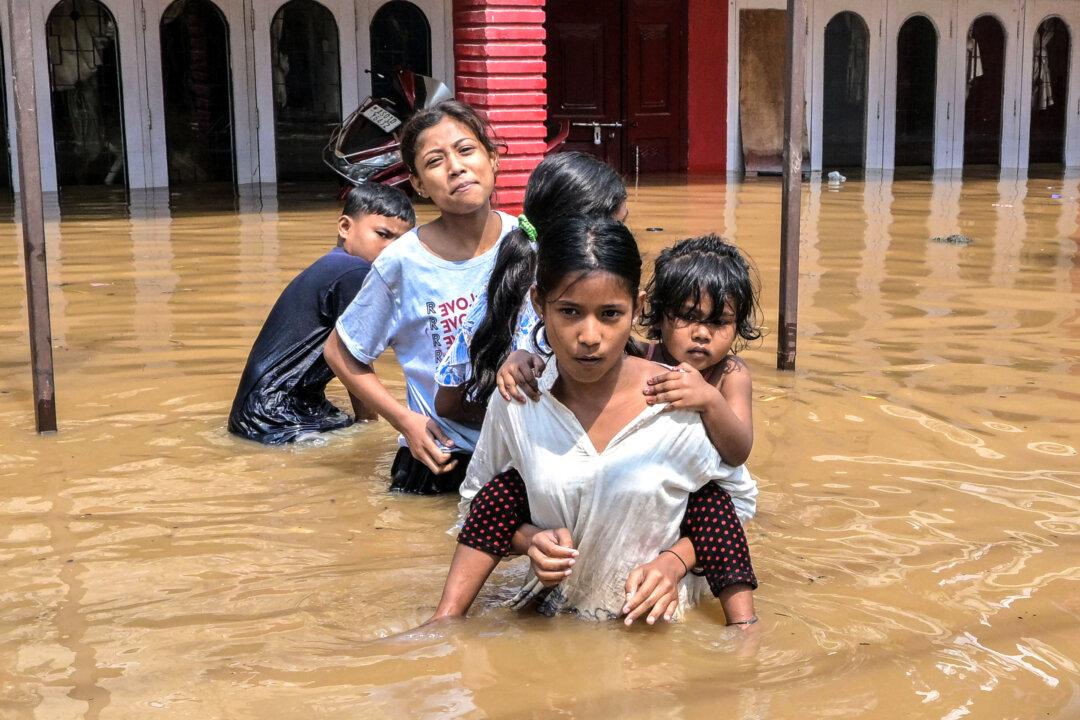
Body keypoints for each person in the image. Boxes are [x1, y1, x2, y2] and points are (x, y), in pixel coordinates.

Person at [429, 215, 758, 624]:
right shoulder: (519, 400)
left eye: (610, 314)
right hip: (551, 618)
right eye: (568, 312)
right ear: (538, 305)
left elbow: (736, 504)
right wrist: (529, 541)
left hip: (657, 631)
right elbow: (477, 506)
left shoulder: (677, 402)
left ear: (636, 310)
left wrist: (674, 564)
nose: (589, 336)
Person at [324, 100, 514, 494]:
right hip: (440, 459)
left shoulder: (527, 242)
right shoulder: (402, 262)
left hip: (519, 456)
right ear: (419, 185)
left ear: (492, 159)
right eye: (434, 161)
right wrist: (404, 421)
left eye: (466, 150)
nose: (456, 167)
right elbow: (341, 352)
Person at [432, 150, 628, 422]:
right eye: (620, 226)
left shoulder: (507, 276)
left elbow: (447, 402)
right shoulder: (571, 299)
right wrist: (524, 431)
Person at [228, 183, 415, 444]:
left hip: (266, 411)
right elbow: (356, 357)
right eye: (383, 235)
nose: (393, 248)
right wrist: (370, 422)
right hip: (275, 419)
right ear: (345, 227)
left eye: (402, 241)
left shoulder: (336, 265)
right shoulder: (354, 273)